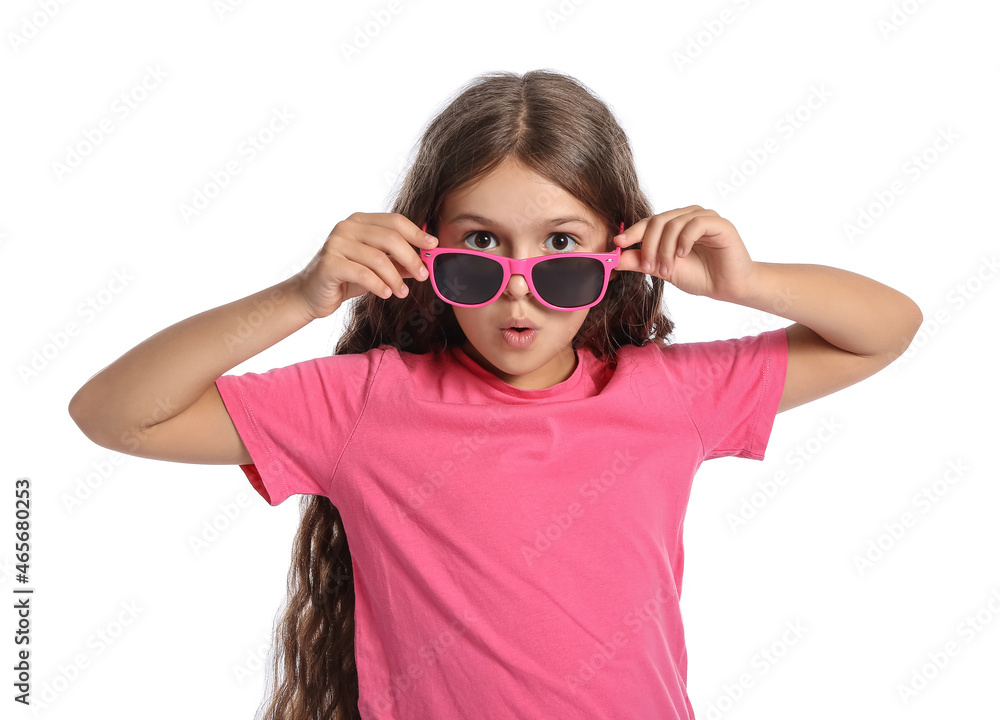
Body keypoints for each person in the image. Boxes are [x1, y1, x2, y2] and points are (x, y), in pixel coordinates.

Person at [68, 69, 922, 720]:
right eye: (481, 248)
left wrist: (749, 281)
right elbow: (113, 415)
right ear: (425, 254)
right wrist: (302, 295)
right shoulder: (363, 405)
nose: (520, 293)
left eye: (560, 248)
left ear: (615, 252)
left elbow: (887, 327)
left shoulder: (668, 394)